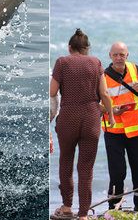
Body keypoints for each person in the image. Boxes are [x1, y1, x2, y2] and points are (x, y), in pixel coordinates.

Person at [50, 29, 114, 220]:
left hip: (68, 116)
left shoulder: (62, 62)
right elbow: (104, 94)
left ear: (70, 48)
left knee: (66, 162)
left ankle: (67, 206)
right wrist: (110, 114)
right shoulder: (96, 63)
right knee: (86, 167)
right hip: (91, 118)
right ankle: (84, 215)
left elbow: (52, 91)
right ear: (87, 49)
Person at [102, 42, 138, 211]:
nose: (119, 58)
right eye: (115, 55)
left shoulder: (135, 70)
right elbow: (95, 104)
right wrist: (112, 110)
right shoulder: (103, 76)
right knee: (117, 173)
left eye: (122, 54)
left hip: (136, 131)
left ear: (127, 55)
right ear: (110, 56)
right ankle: (114, 209)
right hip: (113, 131)